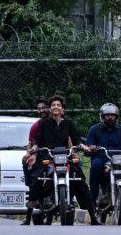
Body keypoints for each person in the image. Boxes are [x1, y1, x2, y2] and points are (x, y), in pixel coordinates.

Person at [28, 95, 100, 225]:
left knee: (80, 179)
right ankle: (29, 215)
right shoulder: (43, 123)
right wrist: (34, 148)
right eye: (53, 105)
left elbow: (76, 140)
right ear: (50, 109)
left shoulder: (68, 123)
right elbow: (37, 141)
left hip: (65, 156)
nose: (56, 107)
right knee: (36, 178)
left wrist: (83, 147)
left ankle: (93, 217)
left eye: (58, 105)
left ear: (63, 109)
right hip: (48, 157)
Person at [21, 97, 50, 225]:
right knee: (34, 181)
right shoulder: (37, 126)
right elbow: (33, 143)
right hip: (42, 155)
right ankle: (28, 216)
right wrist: (30, 153)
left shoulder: (63, 123)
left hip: (59, 155)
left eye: (44, 107)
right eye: (39, 108)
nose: (41, 110)